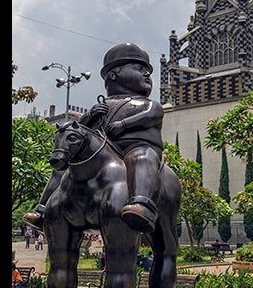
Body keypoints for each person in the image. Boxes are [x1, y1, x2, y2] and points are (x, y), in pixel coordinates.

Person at [24, 42, 164, 234]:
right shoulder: (101, 106)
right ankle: (42, 210)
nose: (147, 74)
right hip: (105, 154)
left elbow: (152, 115)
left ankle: (141, 204)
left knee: (140, 158)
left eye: (147, 71)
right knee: (62, 170)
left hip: (135, 147)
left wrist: (123, 125)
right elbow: (78, 131)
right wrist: (90, 116)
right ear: (113, 75)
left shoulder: (148, 103)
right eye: (139, 69)